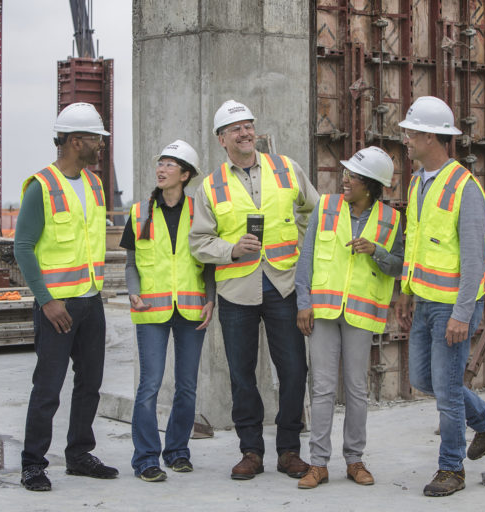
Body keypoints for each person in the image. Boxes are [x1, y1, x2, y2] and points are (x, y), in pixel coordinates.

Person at [188, 100, 320, 480]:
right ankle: (251, 451)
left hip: (283, 285)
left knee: (294, 371)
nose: (246, 133)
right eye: (237, 129)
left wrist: (302, 245)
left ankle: (289, 450)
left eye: (249, 126)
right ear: (222, 139)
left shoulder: (286, 168)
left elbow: (315, 212)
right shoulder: (210, 186)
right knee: (242, 375)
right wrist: (230, 249)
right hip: (236, 293)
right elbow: (199, 242)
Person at [394, 96, 485, 497]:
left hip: (453, 307)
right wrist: (406, 292)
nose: (405, 140)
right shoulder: (417, 182)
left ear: (429, 136)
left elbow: (474, 258)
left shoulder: (466, 187)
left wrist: (462, 313)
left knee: (446, 391)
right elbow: (416, 244)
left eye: (410, 133)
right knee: (424, 378)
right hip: (425, 301)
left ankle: (451, 469)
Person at [15, 102, 118, 492]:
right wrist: (46, 300)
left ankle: (79, 454)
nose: (100, 145)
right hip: (57, 307)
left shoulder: (93, 184)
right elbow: (23, 247)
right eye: (95, 138)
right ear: (76, 141)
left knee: (90, 384)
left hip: (91, 301)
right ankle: (32, 464)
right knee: (48, 388)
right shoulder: (41, 186)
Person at [294, 147, 403, 489]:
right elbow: (306, 257)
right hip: (324, 311)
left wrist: (377, 251)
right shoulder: (325, 207)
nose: (344, 180)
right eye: (345, 174)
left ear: (369, 185)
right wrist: (303, 302)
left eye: (352, 176)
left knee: (356, 389)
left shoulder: (390, 219)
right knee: (323, 388)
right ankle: (318, 463)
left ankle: (354, 460)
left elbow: (399, 265)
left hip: (360, 312)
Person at [120, 140, 216, 482]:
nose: (161, 169)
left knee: (187, 386)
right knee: (149, 385)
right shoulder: (140, 212)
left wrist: (211, 298)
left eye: (170, 165)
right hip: (151, 310)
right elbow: (131, 263)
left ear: (185, 175)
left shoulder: (198, 211)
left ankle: (177, 452)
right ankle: (146, 458)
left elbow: (208, 261)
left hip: (192, 309)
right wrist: (132, 292)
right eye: (160, 163)